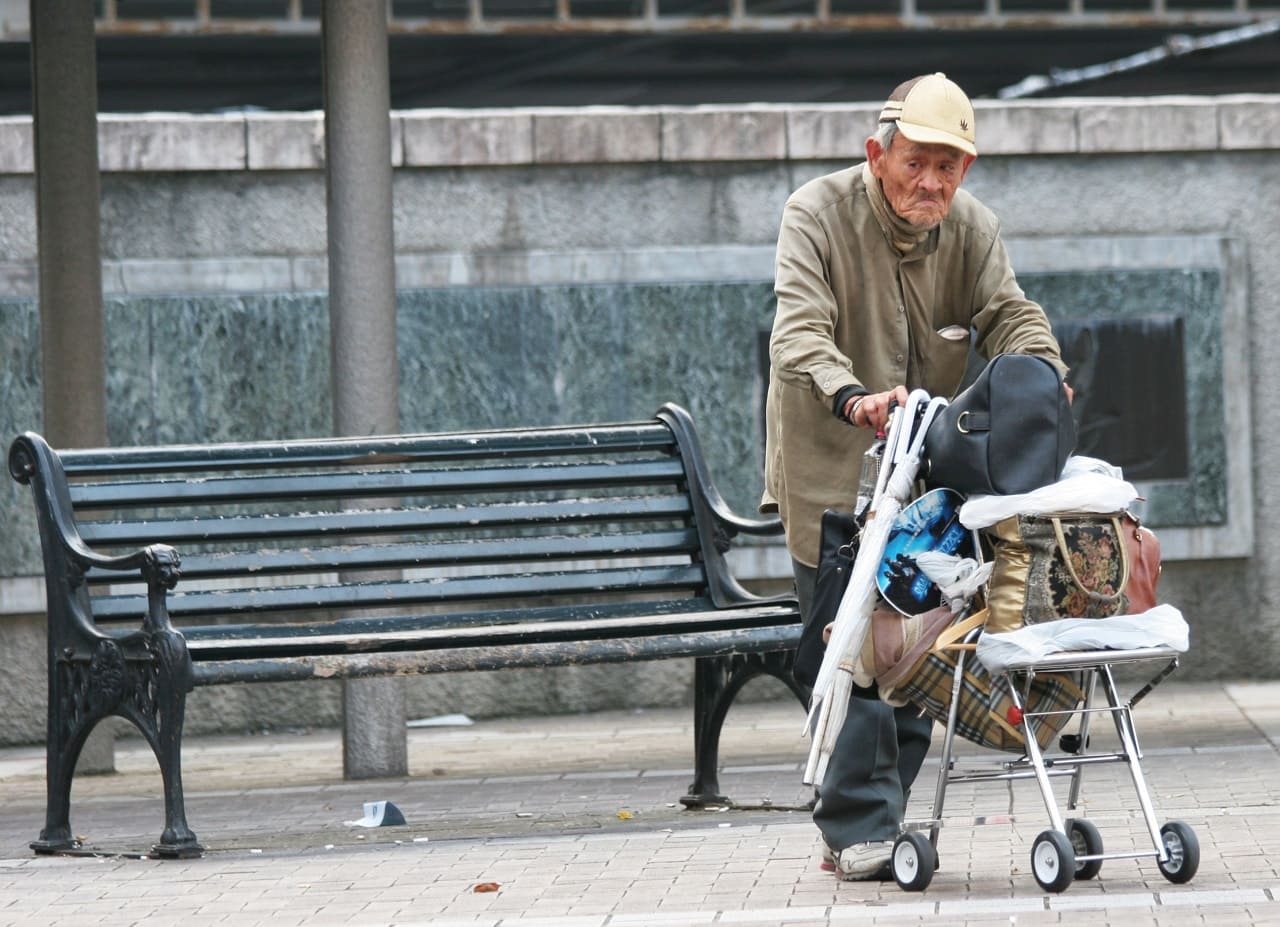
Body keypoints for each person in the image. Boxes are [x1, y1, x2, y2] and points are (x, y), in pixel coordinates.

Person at [761, 72, 1070, 881]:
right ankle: (857, 826)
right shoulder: (814, 214)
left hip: (928, 481)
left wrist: (1042, 373)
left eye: (949, 166)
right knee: (856, 649)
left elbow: (1010, 313)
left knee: (920, 648)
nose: (932, 182)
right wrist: (854, 397)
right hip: (832, 471)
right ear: (877, 154)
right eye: (917, 163)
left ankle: (876, 823)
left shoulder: (973, 228)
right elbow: (798, 335)